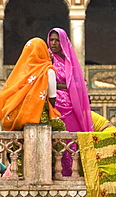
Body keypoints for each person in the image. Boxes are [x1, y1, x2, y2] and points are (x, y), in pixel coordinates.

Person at [47, 28, 93, 176]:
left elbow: (79, 83)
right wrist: (68, 86)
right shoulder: (47, 58)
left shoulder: (69, 61)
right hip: (54, 105)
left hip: (70, 105)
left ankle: (75, 172)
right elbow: (47, 80)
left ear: (63, 42)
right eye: (51, 40)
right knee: (57, 140)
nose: (53, 43)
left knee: (73, 139)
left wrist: (73, 87)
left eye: (57, 40)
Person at [0, 37, 61, 131]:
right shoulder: (48, 70)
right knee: (60, 127)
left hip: (16, 118)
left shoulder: (21, 71)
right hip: (39, 117)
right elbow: (52, 96)